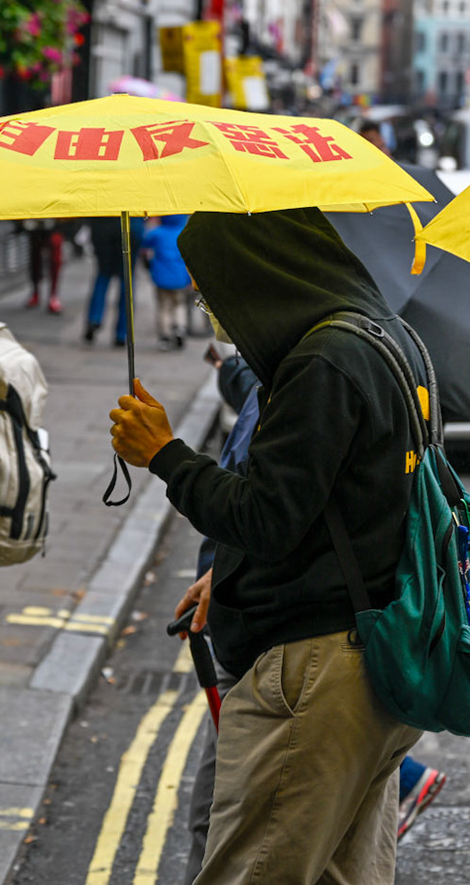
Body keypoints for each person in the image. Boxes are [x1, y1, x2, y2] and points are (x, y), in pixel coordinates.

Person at [109, 209, 422, 884]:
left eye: (209, 288)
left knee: (252, 870)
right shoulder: (383, 337)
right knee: (342, 872)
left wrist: (165, 455)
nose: (209, 307)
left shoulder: (322, 362)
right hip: (376, 650)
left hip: (317, 670)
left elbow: (268, 517)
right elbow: (344, 505)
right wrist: (227, 573)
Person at [83, 216, 141, 347]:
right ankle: (122, 333)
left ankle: (94, 318)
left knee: (103, 273)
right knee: (126, 278)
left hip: (103, 226)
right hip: (132, 226)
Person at [143, 214, 195, 349]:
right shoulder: (184, 234)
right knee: (179, 305)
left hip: (161, 278)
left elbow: (145, 243)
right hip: (180, 278)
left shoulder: (157, 233)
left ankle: (165, 336)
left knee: (164, 307)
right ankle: (179, 328)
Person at [22, 220, 65, 314]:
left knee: (55, 259)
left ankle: (53, 295)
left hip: (55, 223)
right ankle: (36, 291)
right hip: (36, 224)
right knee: (35, 258)